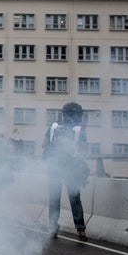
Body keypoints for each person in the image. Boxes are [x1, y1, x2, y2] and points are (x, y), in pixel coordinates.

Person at [42, 102, 89, 242]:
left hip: (54, 167)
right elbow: (85, 151)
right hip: (71, 168)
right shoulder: (79, 130)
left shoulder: (54, 126)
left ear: (64, 114)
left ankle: (53, 228)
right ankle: (80, 230)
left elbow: (43, 144)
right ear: (77, 115)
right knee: (74, 198)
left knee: (54, 198)